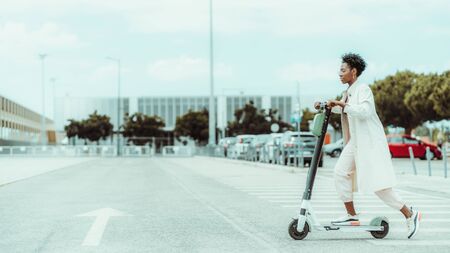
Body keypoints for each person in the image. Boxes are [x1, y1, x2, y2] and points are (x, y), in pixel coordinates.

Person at [314, 53, 421, 239]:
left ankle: (410, 214)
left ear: (353, 72)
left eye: (343, 70)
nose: (339, 73)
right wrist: (325, 105)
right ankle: (351, 215)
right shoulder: (348, 93)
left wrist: (340, 104)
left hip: (370, 144)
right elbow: (343, 107)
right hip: (355, 144)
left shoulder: (363, 89)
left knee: (379, 185)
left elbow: (363, 111)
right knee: (340, 172)